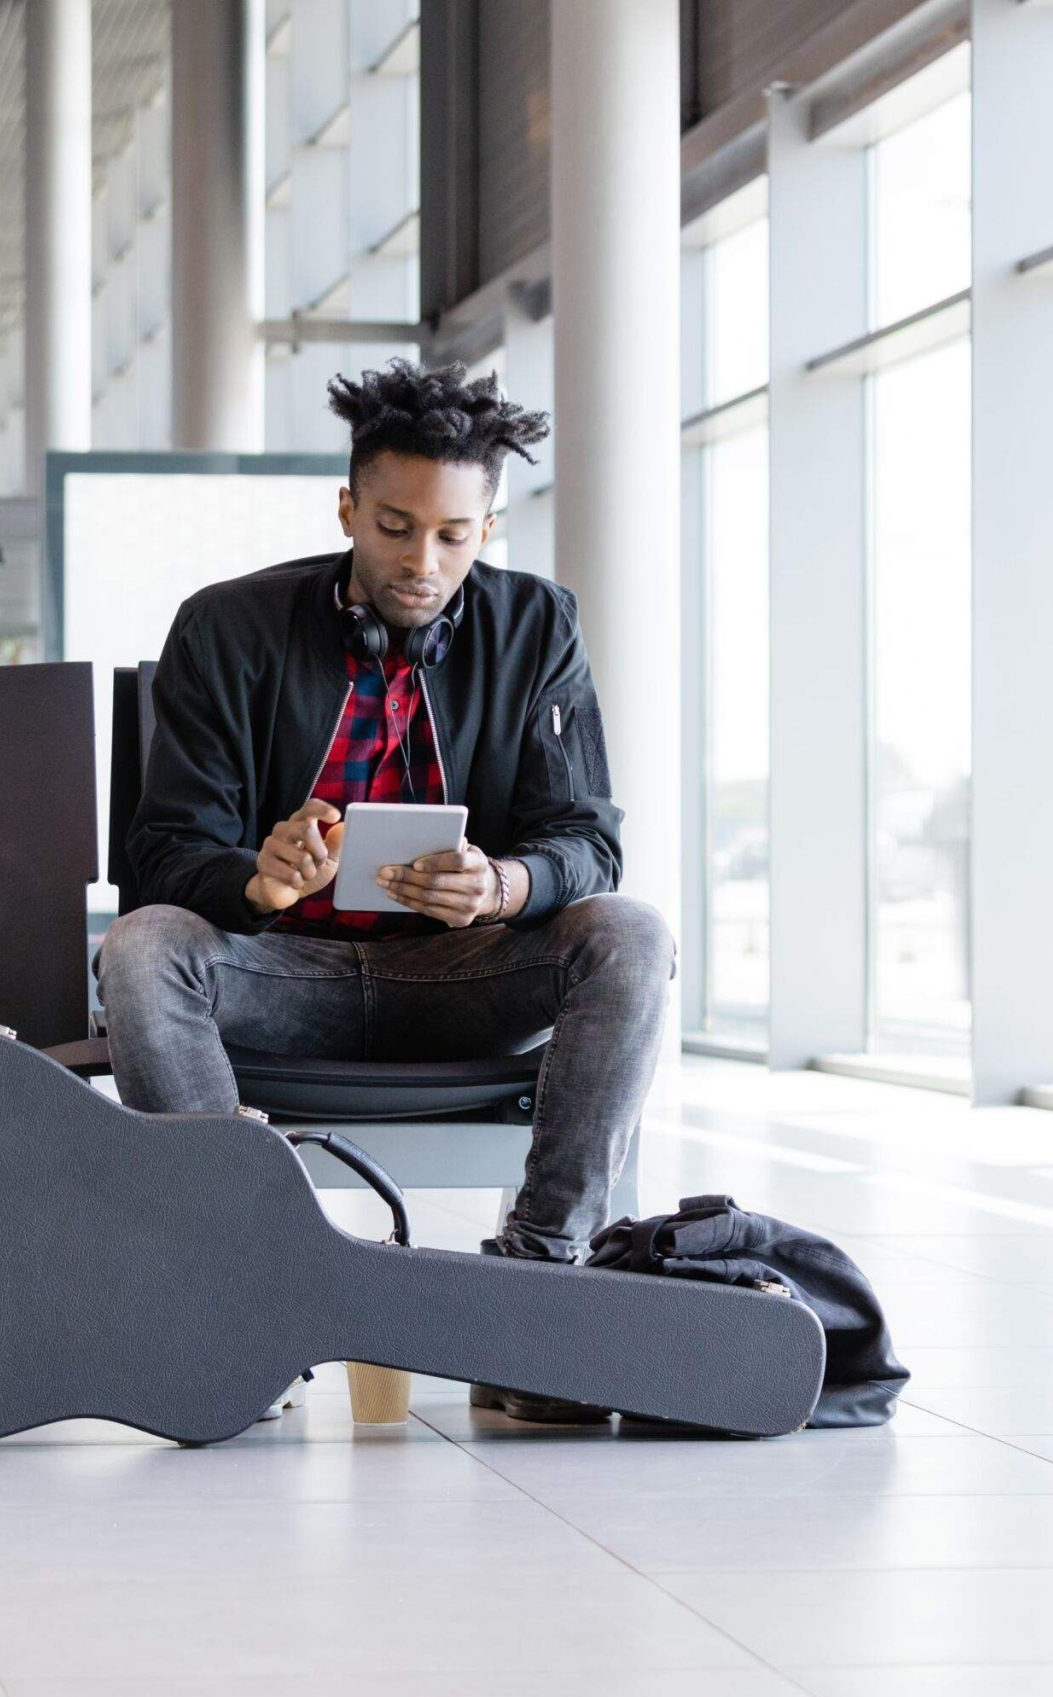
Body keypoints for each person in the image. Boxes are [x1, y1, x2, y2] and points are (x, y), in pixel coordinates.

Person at [96, 359, 674, 1419]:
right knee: (140, 949)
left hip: (462, 969)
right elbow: (162, 856)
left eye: (455, 535)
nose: (424, 560)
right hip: (282, 970)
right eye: (397, 527)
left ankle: (534, 1293)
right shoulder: (226, 628)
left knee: (627, 933)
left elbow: (588, 842)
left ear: (489, 527)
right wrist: (258, 884)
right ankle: (249, 1284)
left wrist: (505, 884)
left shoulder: (539, 627)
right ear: (348, 508)